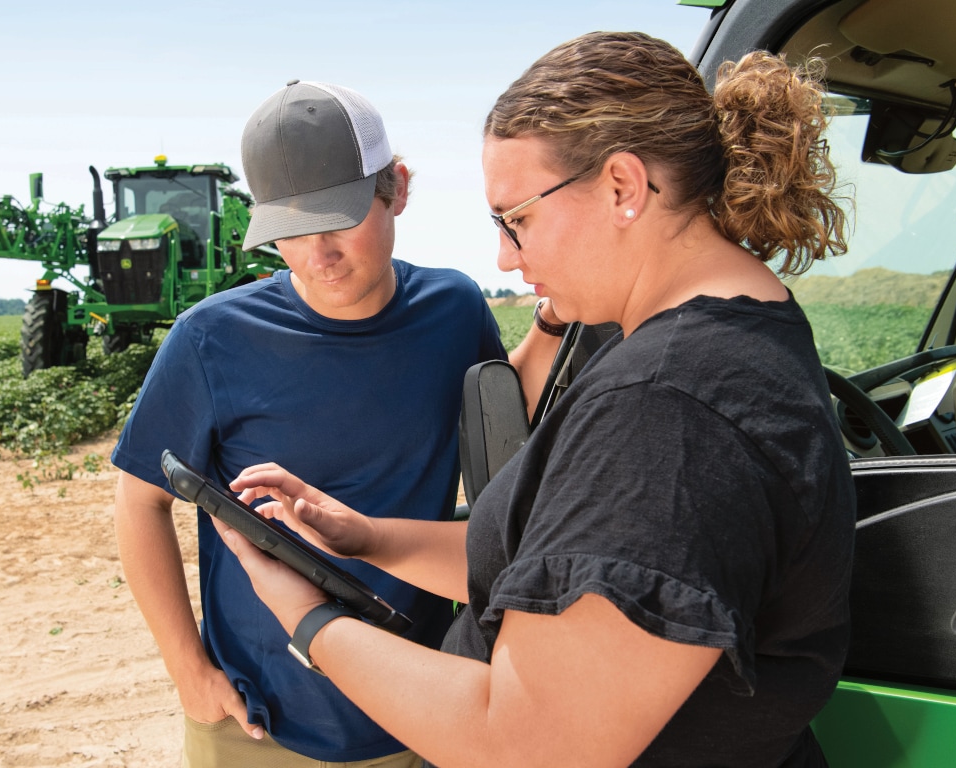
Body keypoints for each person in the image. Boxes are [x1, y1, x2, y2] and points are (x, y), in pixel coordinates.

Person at [219, 32, 856, 768]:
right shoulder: (722, 341)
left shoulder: (667, 411)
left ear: (623, 186)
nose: (505, 257)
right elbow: (556, 570)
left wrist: (304, 615)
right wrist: (365, 538)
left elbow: (524, 746)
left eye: (516, 218)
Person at [112, 80, 559, 767]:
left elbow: (499, 411)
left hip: (429, 707)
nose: (317, 254)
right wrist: (189, 673)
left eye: (339, 220)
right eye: (288, 229)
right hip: (263, 723)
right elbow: (139, 501)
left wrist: (558, 317)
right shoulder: (211, 339)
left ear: (398, 189)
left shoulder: (452, 308)